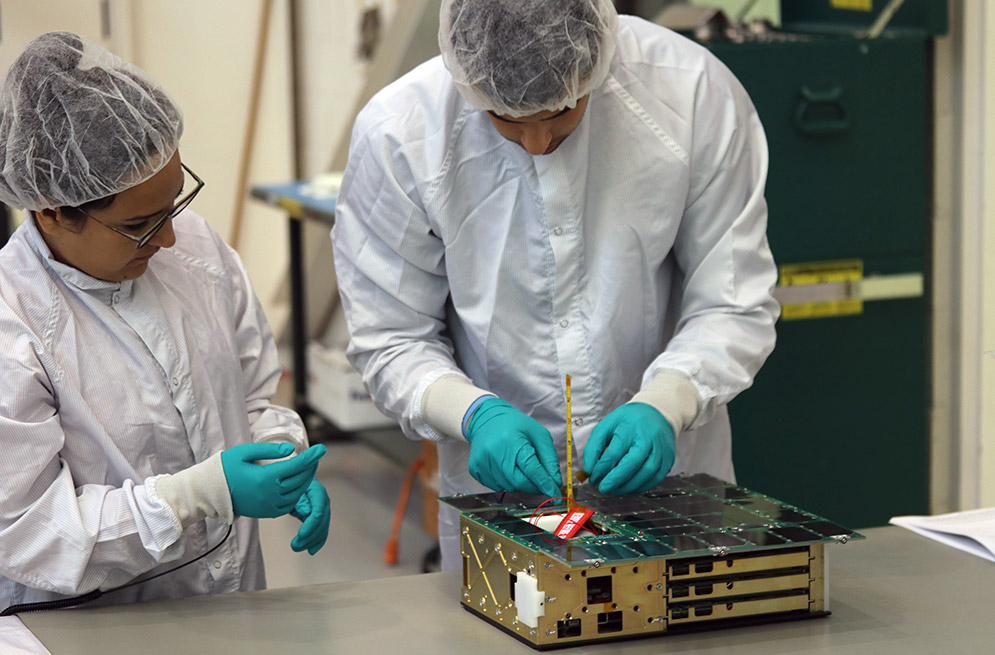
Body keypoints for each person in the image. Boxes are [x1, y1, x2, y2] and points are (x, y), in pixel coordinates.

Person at [331, 0, 778, 570]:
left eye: (564, 111)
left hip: (676, 483)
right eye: (507, 121)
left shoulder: (690, 92)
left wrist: (669, 401)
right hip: (496, 502)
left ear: (600, 61)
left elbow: (734, 298)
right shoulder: (402, 134)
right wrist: (473, 415)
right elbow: (389, 338)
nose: (539, 144)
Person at [0, 32, 330, 609]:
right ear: (51, 212)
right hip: (91, 626)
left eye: (176, 202)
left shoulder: (195, 251)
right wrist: (198, 494)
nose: (172, 237)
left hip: (232, 601)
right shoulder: (15, 324)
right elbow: (32, 532)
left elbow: (252, 396)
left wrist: (281, 456)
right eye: (142, 224)